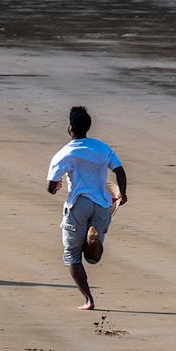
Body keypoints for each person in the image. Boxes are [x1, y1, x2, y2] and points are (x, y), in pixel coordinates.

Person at [47, 106, 127, 310]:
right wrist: (123, 194)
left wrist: (56, 186)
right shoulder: (102, 148)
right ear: (89, 127)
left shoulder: (65, 152)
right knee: (92, 258)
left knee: (71, 255)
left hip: (79, 204)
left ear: (70, 128)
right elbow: (119, 170)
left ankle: (88, 299)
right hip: (102, 204)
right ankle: (92, 238)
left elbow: (51, 187)